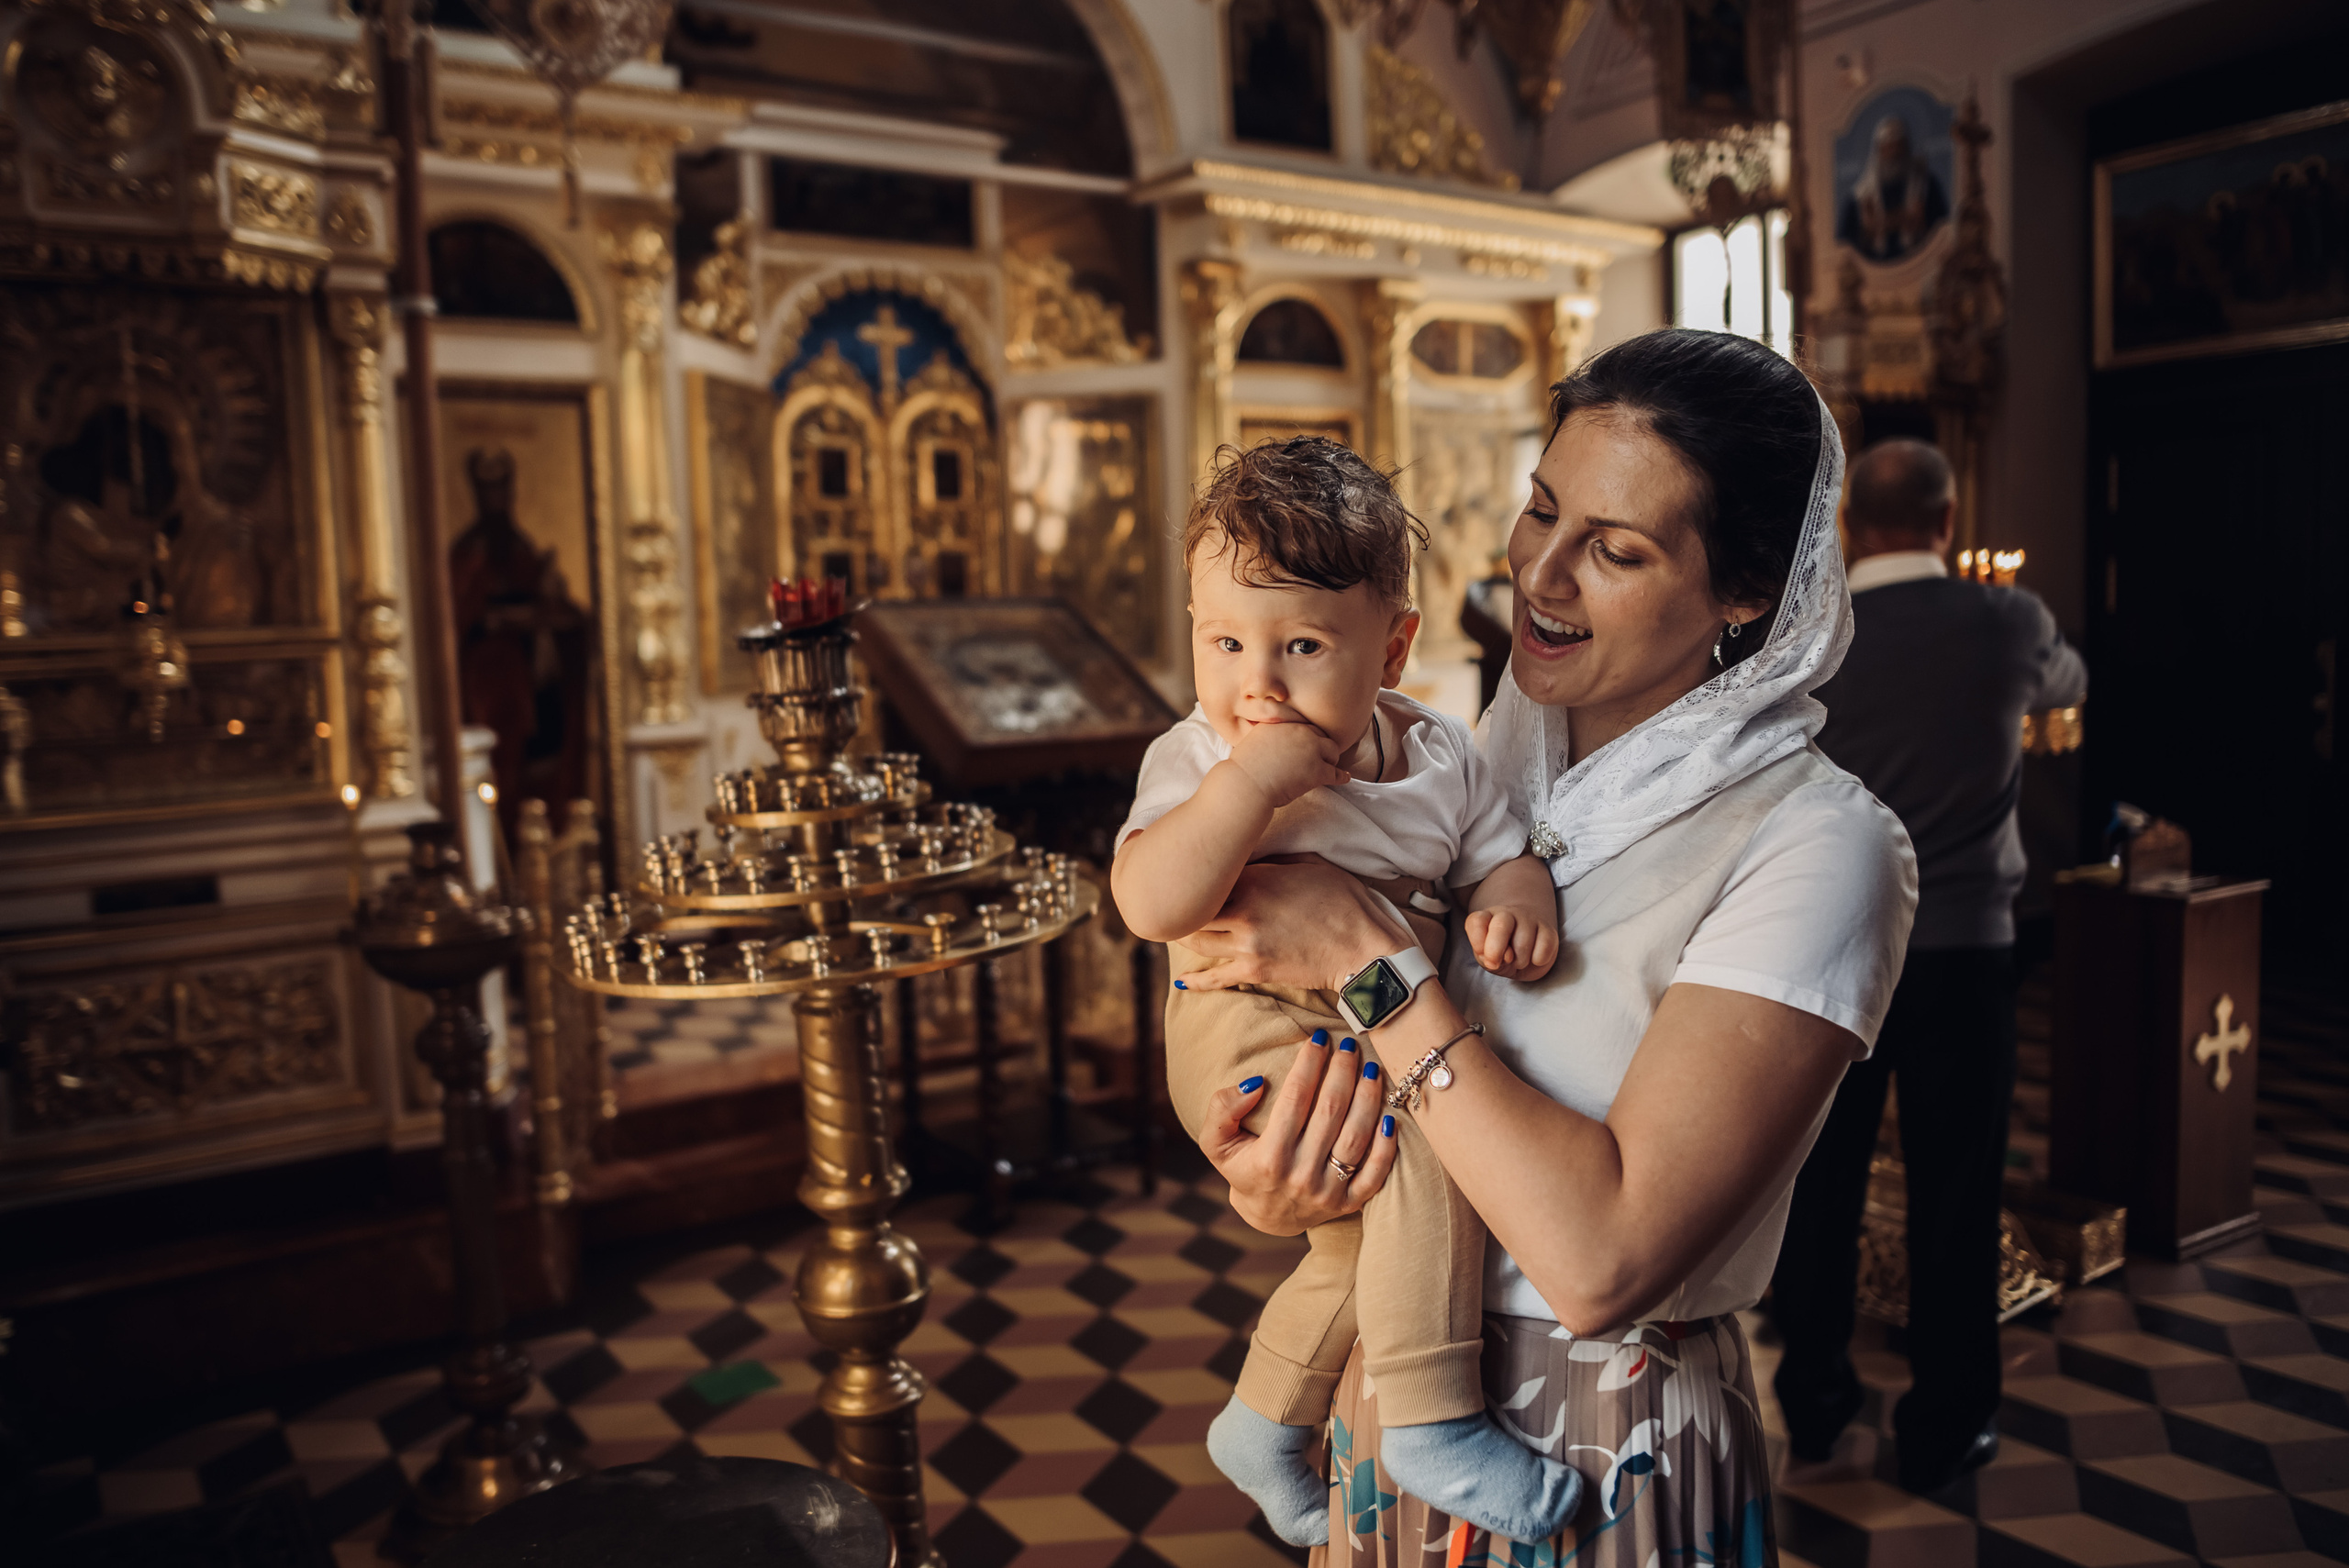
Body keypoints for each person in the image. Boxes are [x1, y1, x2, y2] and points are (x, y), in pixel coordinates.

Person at [1166, 328, 1917, 1563]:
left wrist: (1367, 957)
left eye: (1615, 549)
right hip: (1388, 1384)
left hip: (1598, 1428)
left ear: (1743, 594)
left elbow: (1601, 1260)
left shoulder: (1820, 844)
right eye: (1540, 511)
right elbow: (1318, 1069)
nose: (1541, 574)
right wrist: (1283, 1169)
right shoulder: (1466, 764)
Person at [1112, 438, 1575, 1547]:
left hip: (1367, 1024)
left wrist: (1521, 899)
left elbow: (1497, 853)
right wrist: (1246, 789)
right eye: (1222, 640)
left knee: (1358, 1236)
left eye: (1302, 644)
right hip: (1244, 1021)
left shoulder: (1438, 753)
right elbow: (1149, 901)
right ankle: (1429, 1416)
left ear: (1393, 645)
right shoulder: (1198, 756)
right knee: (1430, 1149)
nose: (1255, 683)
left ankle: (1263, 1415)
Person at [1768, 439, 2087, 1494]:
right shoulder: (2007, 622)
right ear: (1948, 523)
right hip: (1962, 950)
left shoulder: (1810, 634)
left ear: (1852, 524)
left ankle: (1812, 1402)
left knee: (1823, 1179)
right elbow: (2069, 688)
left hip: (1833, 947)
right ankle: (1946, 1421)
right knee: (1958, 1188)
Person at [1836, 114, 1949, 263]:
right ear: (1878, 151)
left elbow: (1942, 230)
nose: (1894, 154)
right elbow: (1845, 246)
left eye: (1898, 146)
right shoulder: (1858, 198)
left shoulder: (1926, 187)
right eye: (1888, 147)